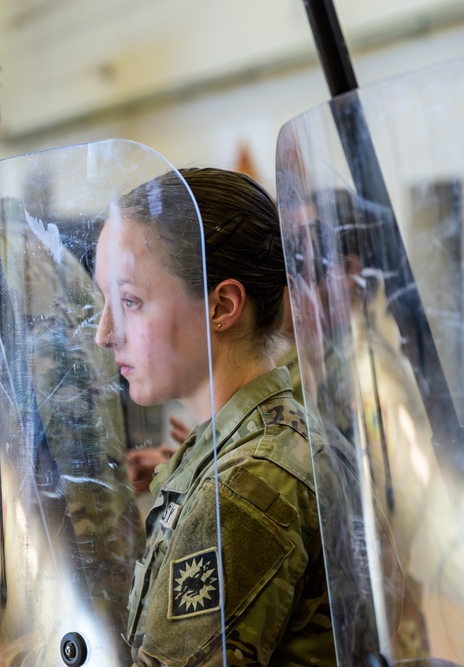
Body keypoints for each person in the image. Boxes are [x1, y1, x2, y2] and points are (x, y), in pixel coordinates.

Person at [94, 167, 336, 664]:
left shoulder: (247, 482)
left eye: (130, 301)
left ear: (222, 305)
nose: (105, 332)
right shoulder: (250, 444)